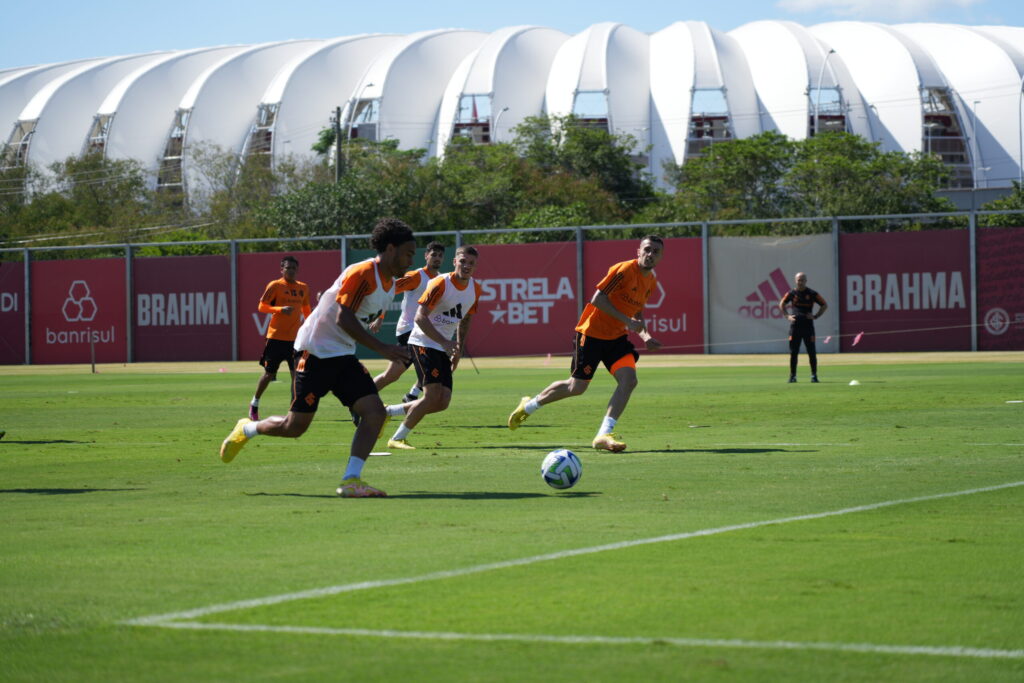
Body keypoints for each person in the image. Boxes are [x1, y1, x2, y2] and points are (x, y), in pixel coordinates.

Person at [219, 218, 417, 498]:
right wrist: (383, 349)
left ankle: (351, 480)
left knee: (374, 412)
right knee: (294, 427)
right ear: (391, 248)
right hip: (314, 352)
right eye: (408, 252)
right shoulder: (363, 272)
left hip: (342, 355)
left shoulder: (389, 283)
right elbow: (343, 316)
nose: (411, 258)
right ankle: (248, 428)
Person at [507, 236, 665, 452]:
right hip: (591, 333)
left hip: (617, 339)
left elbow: (638, 311)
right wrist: (628, 322)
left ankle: (603, 434)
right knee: (576, 387)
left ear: (660, 257)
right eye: (647, 249)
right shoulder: (624, 270)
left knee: (629, 380)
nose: (651, 254)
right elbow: (597, 298)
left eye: (656, 251)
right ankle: (530, 405)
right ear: (638, 251)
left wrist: (646, 336)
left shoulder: (651, 282)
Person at [384, 245, 482, 450]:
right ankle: (397, 438)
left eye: (471, 263)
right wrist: (445, 342)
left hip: (442, 349)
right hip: (422, 342)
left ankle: (388, 412)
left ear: (475, 266)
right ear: (455, 262)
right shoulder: (440, 283)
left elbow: (465, 321)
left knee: (442, 402)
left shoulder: (475, 289)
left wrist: (458, 351)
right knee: (430, 396)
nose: (466, 266)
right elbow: (420, 317)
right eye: (463, 261)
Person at [248, 256, 311, 421]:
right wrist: (280, 309)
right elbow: (261, 306)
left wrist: (310, 326)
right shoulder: (275, 285)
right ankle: (254, 404)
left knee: (296, 375)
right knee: (269, 374)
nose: (291, 271)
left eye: (294, 268)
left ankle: (294, 409)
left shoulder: (303, 288)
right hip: (275, 337)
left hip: (295, 340)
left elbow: (306, 309)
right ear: (281, 269)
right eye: (288, 268)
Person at [778, 271, 828, 383]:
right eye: (798, 280)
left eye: (802, 280)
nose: (800, 282)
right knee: (793, 353)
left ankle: (814, 376)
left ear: (806, 281)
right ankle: (792, 376)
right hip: (795, 327)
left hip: (808, 328)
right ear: (795, 281)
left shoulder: (812, 293)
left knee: (811, 352)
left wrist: (815, 316)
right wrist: (787, 316)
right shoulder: (791, 293)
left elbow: (824, 305)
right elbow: (781, 304)